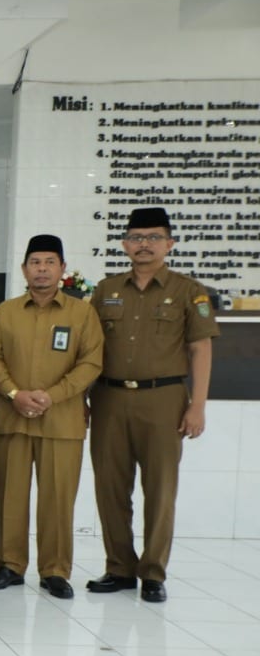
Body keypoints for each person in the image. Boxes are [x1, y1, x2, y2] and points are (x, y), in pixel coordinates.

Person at [86, 207, 218, 603]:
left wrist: (197, 405)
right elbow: (88, 350)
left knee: (160, 489)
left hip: (164, 399)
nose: (144, 244)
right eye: (137, 237)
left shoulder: (187, 290)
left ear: (170, 243)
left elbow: (200, 348)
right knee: (110, 487)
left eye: (154, 237)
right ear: (125, 244)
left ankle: (153, 572)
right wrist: (82, 399)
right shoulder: (105, 290)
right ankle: (119, 568)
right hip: (109, 397)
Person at [0, 235, 103, 599]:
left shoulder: (82, 313)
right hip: (13, 418)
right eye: (35, 262)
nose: (43, 269)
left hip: (62, 421)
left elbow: (91, 361)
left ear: (63, 268)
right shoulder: (7, 312)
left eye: (50, 262)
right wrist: (16, 394)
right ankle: (8, 565)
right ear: (24, 269)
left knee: (58, 499)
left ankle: (55, 570)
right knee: (10, 495)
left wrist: (52, 396)